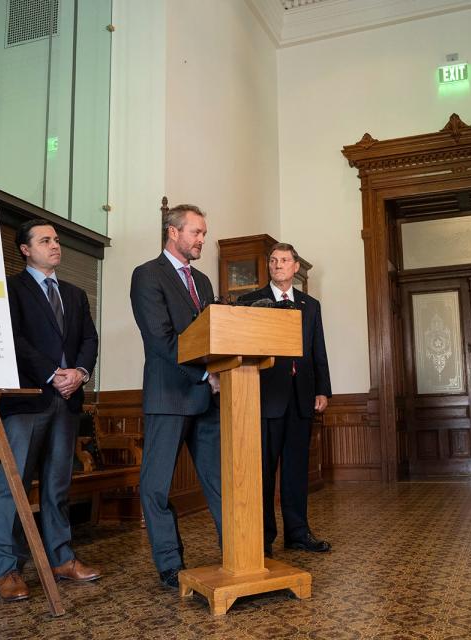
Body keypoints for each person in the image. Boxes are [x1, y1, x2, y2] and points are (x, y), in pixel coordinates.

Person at [0, 219, 101, 602]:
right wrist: (53, 373)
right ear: (25, 249)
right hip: (26, 400)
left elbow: (89, 338)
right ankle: (8, 570)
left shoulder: (75, 293)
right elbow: (13, 338)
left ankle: (61, 558)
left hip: (68, 400)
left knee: (57, 486)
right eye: (45, 240)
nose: (55, 245)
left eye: (56, 240)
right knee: (15, 487)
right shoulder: (10, 289)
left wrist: (80, 373)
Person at [130, 204, 223, 589]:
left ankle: (240, 553)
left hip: (207, 398)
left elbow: (213, 334)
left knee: (221, 482)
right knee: (155, 486)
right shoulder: (147, 275)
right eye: (196, 232)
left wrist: (217, 372)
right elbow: (161, 340)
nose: (202, 239)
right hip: (170, 396)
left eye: (203, 233)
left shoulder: (202, 282)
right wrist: (204, 374)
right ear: (173, 232)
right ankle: (170, 563)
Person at [237, 243, 332, 555]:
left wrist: (323, 389)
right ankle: (262, 538)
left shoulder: (310, 305)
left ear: (295, 268)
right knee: (262, 471)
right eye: (273, 260)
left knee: (295, 470)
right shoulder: (250, 301)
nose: (278, 265)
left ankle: (298, 533)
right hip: (264, 397)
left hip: (301, 397)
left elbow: (318, 349)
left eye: (285, 260)